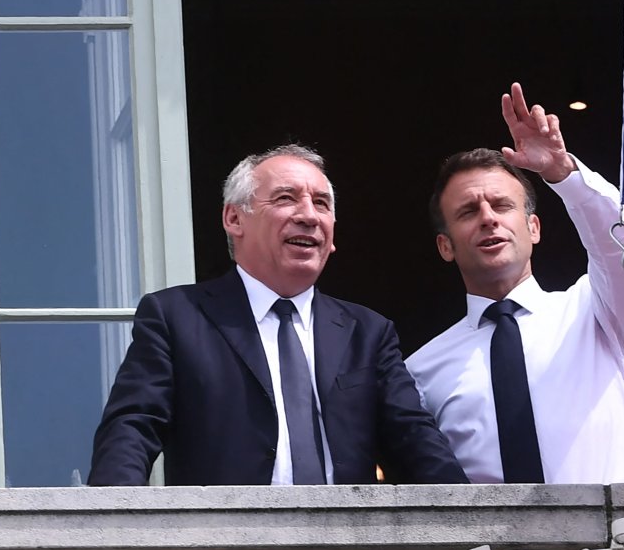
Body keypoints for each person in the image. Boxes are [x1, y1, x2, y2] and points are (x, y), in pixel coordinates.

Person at [89, 144, 468, 489]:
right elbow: (132, 428)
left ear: (333, 236)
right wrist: (112, 533)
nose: (308, 215)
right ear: (234, 219)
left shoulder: (368, 333)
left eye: (322, 204)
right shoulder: (176, 318)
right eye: (286, 198)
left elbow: (415, 440)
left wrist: (472, 524)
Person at [406, 83, 624, 484]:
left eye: (503, 205)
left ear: (534, 227)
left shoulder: (595, 309)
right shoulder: (420, 371)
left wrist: (563, 174)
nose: (489, 218)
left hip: (609, 546)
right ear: (445, 246)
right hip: (490, 549)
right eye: (468, 211)